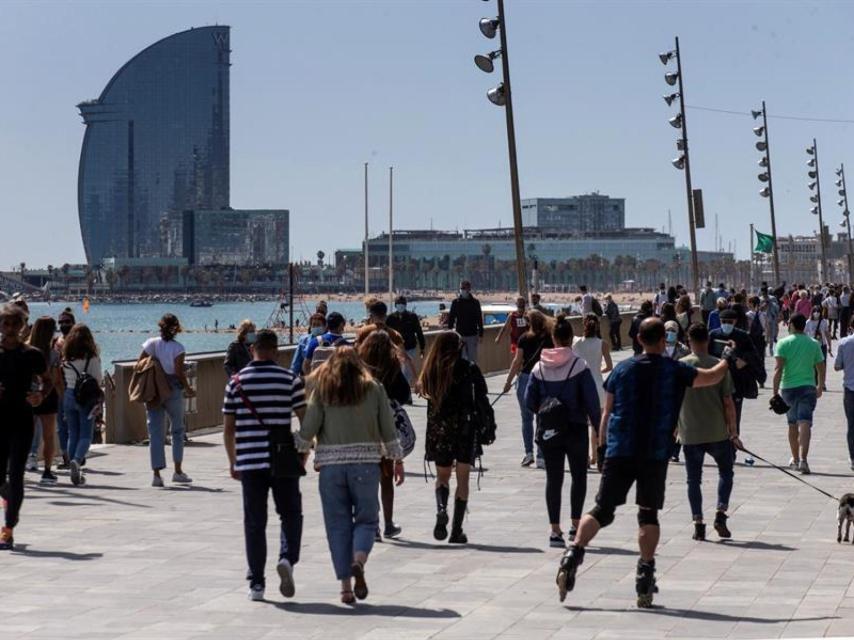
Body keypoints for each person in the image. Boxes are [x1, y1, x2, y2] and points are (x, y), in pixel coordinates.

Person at [555, 317, 729, 606]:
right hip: (654, 452)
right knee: (648, 514)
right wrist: (727, 359)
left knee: (602, 509)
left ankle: (573, 554)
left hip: (620, 449)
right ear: (664, 341)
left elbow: (607, 412)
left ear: (638, 340)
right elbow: (711, 376)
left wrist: (601, 447)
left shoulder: (622, 369)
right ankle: (645, 576)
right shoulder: (674, 369)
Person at [296, 348, 404, 604]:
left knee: (337, 526)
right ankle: (359, 560)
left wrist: (302, 453)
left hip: (331, 469)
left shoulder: (323, 389)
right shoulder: (374, 388)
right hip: (366, 466)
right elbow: (388, 428)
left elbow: (308, 428)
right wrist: (397, 459)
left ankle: (345, 588)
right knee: (367, 520)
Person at [222, 329, 306, 601]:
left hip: (250, 461)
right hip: (283, 459)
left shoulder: (235, 383)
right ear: (276, 351)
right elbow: (306, 422)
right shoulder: (290, 380)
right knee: (291, 514)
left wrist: (233, 461)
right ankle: (287, 558)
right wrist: (303, 454)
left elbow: (228, 429)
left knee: (255, 522)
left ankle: (257, 583)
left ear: (252, 350)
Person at [526, 314, 601, 548]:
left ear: (554, 338)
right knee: (578, 476)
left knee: (554, 478)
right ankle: (575, 525)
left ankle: (554, 531)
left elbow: (529, 401)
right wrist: (598, 428)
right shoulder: (579, 366)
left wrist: (545, 409)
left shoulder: (539, 367)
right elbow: (591, 401)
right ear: (570, 338)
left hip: (550, 430)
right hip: (576, 428)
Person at [419, 331, 491, 545]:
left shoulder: (431, 370)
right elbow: (482, 395)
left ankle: (441, 509)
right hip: (465, 428)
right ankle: (456, 530)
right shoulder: (469, 368)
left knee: (442, 476)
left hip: (439, 428)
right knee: (463, 478)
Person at [678, 323, 741, 541]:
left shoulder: (681, 366)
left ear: (689, 340)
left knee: (693, 480)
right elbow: (728, 402)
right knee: (726, 472)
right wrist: (734, 433)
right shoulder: (719, 366)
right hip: (717, 432)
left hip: (690, 432)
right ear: (708, 340)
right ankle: (720, 513)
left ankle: (698, 524)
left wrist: (673, 428)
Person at [357, 330, 411, 540]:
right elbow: (404, 393)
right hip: (386, 426)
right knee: (386, 477)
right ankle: (388, 524)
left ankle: (372, 526)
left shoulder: (359, 368)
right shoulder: (392, 367)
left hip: (363, 426)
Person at [0, 303, 46, 550]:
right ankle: (10, 497)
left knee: (17, 474)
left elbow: (48, 380)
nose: (9, 328)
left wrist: (40, 395)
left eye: (14, 324)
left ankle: (8, 530)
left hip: (22, 420)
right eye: (5, 323)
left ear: (22, 326)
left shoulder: (32, 354)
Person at [138, 314, 195, 487]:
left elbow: (140, 363)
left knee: (155, 432)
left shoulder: (151, 344)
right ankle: (177, 471)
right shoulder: (178, 348)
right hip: (173, 389)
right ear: (176, 329)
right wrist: (188, 388)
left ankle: (156, 475)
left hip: (155, 389)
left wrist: (156, 366)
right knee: (177, 429)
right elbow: (178, 372)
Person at [709, 309, 765, 464]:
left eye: (730, 322)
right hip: (716, 382)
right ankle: (719, 449)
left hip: (736, 383)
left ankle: (731, 450)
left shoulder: (743, 336)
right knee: (718, 419)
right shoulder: (713, 335)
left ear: (735, 322)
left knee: (734, 417)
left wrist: (743, 360)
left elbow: (754, 355)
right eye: (723, 322)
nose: (726, 325)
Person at [773, 313, 825, 475]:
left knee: (792, 424)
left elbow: (778, 369)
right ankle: (804, 460)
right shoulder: (813, 343)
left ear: (791, 325)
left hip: (788, 388)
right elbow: (821, 367)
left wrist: (774, 392)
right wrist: (820, 386)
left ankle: (795, 459)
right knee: (805, 422)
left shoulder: (783, 343)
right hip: (808, 387)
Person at [502, 310, 553, 468]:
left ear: (529, 323)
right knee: (542, 419)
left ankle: (528, 453)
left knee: (526, 418)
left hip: (525, 378)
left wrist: (508, 382)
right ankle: (541, 456)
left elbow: (517, 361)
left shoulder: (524, 338)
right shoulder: (548, 338)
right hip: (544, 378)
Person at [61, 323, 103, 486]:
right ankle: (77, 460)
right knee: (86, 435)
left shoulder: (67, 358)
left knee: (72, 433)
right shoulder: (92, 358)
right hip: (86, 398)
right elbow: (98, 379)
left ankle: (74, 466)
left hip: (69, 395)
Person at [573, 314, 613, 464]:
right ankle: (596, 455)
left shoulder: (576, 343)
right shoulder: (603, 344)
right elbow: (609, 366)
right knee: (597, 424)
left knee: (582, 424)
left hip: (580, 386)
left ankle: (584, 455)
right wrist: (598, 370)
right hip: (597, 384)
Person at [26, 317, 62, 485]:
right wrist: (61, 394)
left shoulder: (25, 351)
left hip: (27, 394)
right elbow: (55, 379)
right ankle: (47, 471)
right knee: (48, 436)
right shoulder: (53, 354)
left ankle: (16, 466)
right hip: (47, 395)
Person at [386, 295, 426, 383]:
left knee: (407, 371)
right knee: (398, 370)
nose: (401, 305)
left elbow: (419, 332)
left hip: (410, 347)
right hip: (396, 349)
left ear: (405, 305)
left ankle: (405, 388)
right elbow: (386, 333)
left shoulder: (412, 316)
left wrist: (422, 347)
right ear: (395, 305)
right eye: (399, 303)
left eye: (402, 303)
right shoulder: (390, 318)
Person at [834, 316, 854, 471]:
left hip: (850, 388)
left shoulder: (844, 343)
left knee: (852, 425)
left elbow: (837, 366)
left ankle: (853, 458)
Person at [447, 280, 483, 364]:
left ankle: (472, 372)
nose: (462, 290)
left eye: (464, 288)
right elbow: (451, 318)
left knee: (472, 360)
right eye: (461, 288)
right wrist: (450, 332)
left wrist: (481, 334)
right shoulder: (456, 302)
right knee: (461, 359)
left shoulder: (475, 303)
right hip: (460, 335)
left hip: (472, 335)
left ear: (469, 289)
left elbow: (479, 319)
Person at [805, 305, 832, 388]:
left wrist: (830, 345)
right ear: (812, 312)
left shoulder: (824, 322)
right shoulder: (808, 322)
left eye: (818, 312)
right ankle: (814, 381)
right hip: (812, 346)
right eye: (815, 311)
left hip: (822, 345)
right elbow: (804, 334)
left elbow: (827, 334)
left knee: (823, 365)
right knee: (812, 365)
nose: (816, 313)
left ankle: (822, 383)